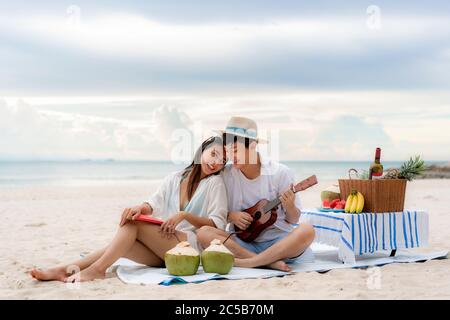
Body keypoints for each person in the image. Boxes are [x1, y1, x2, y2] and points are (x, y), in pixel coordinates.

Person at [30, 136, 228, 282]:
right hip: (164, 251)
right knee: (121, 244)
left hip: (189, 248)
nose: (215, 162)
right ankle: (64, 269)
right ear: (201, 151)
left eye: (221, 160)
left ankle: (97, 270)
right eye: (213, 154)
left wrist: (184, 215)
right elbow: (153, 203)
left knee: (133, 225)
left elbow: (217, 223)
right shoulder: (175, 178)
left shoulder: (215, 183)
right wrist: (139, 207)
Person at [197, 116, 315, 272]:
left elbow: (293, 219)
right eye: (228, 150)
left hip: (278, 244)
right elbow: (214, 213)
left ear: (252, 146)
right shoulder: (225, 175)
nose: (231, 157)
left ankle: (250, 262)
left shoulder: (280, 173)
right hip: (242, 243)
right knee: (203, 233)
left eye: (235, 150)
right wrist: (231, 216)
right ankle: (265, 263)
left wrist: (290, 206)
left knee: (307, 230)